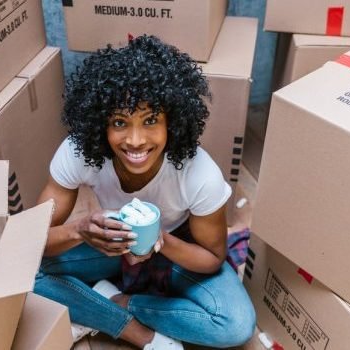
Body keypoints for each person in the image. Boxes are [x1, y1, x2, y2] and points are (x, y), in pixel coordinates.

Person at [34, 35, 255, 349]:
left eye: (151, 120)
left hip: (176, 249)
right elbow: (32, 238)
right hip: (110, 245)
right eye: (120, 122)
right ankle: (133, 331)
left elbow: (211, 258)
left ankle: (122, 302)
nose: (136, 140)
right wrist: (79, 231)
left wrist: (159, 241)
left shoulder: (199, 173)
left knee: (235, 325)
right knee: (25, 273)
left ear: (172, 122)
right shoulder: (78, 153)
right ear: (100, 124)